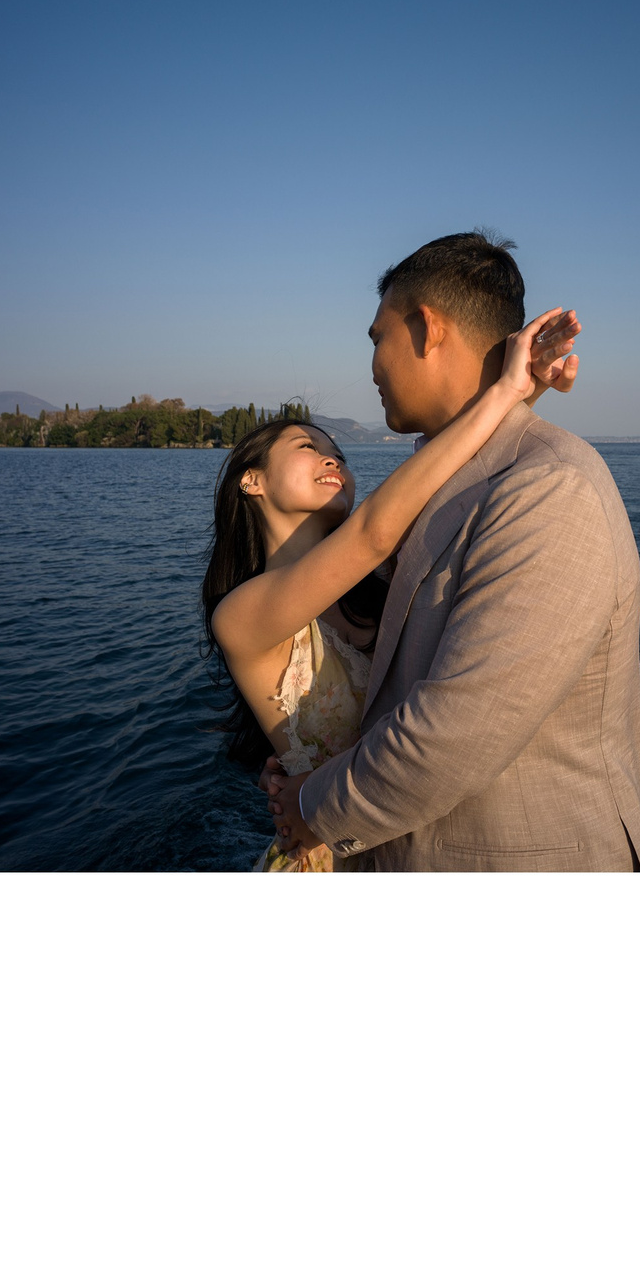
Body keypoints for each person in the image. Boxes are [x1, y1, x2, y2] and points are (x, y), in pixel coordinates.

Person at [260, 231, 640, 871]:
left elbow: (457, 736)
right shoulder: (450, 478)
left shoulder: (549, 487)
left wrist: (312, 804)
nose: (372, 365)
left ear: (427, 329)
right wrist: (311, 751)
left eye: (377, 337)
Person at [205, 301, 579, 871]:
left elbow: (452, 485)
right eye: (308, 448)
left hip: (415, 841)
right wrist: (506, 390)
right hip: (329, 856)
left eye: (339, 455)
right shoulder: (240, 617)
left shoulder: (377, 581)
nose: (333, 461)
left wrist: (528, 391)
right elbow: (374, 531)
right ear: (251, 480)